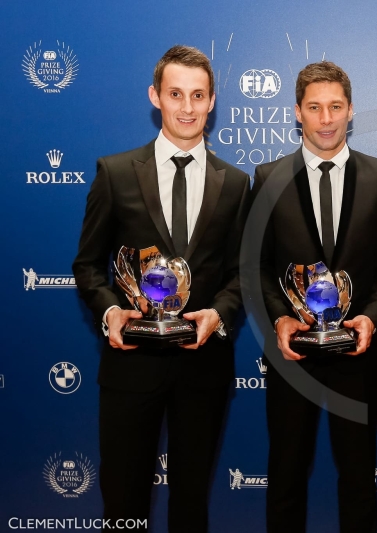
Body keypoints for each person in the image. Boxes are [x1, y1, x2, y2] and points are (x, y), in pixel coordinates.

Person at [72, 45, 250, 532]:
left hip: (204, 368)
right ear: (156, 97)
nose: (187, 108)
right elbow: (87, 266)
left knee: (190, 506)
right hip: (131, 364)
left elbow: (241, 274)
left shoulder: (235, 184)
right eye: (176, 94)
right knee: (124, 505)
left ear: (212, 101)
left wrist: (221, 313)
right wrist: (110, 313)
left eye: (198, 95)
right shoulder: (114, 172)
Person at [251, 61, 377, 533]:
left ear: (351, 110)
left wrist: (372, 319)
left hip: (358, 354)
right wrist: (279, 320)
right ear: (297, 112)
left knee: (358, 482)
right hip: (293, 359)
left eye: (336, 106)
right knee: (286, 479)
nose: (326, 118)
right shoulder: (267, 176)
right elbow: (255, 266)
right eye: (315, 107)